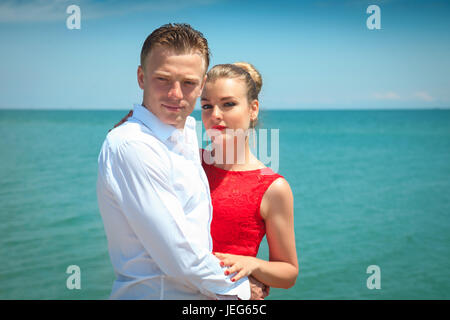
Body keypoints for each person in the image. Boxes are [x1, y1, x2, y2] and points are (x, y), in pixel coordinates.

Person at [97, 23, 266, 300]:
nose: (175, 94)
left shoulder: (183, 137)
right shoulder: (133, 145)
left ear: (201, 86)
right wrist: (242, 288)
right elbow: (178, 256)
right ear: (141, 77)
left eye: (188, 83)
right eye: (162, 79)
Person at [200, 63, 298, 289]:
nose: (215, 115)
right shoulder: (189, 163)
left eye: (228, 104)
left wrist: (253, 265)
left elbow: (288, 272)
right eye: (206, 106)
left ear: (253, 109)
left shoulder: (273, 187)